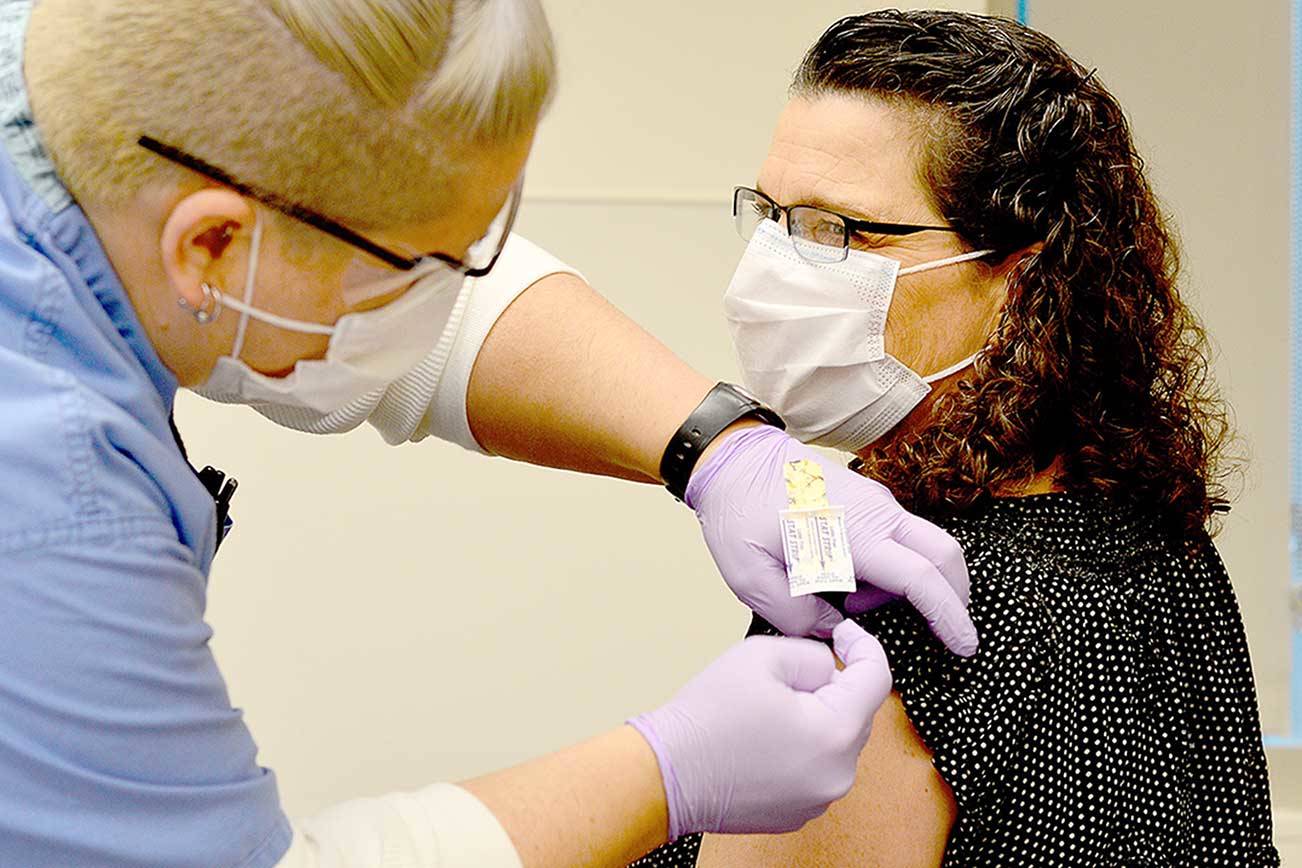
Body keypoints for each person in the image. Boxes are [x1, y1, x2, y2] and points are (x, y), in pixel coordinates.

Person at [0, 0, 984, 866]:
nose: (445, 300)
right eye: (424, 268)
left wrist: (721, 447)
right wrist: (671, 767)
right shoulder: (53, 501)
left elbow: (419, 306)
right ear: (210, 247)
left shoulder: (77, 73)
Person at [634, 10, 1281, 868]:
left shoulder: (900, 609)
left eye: (841, 231)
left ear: (1021, 276)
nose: (775, 270)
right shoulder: (1158, 538)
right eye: (775, 216)